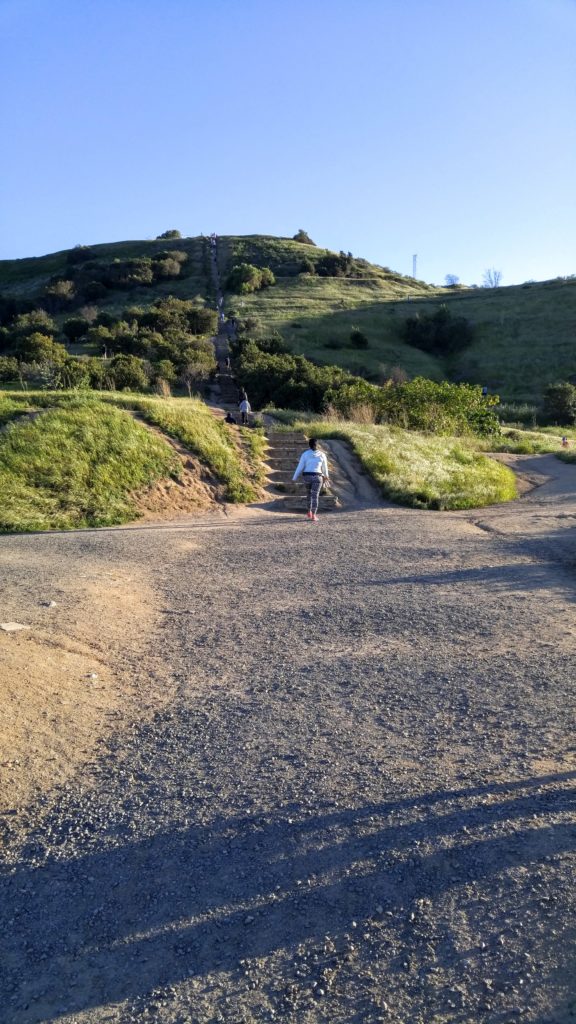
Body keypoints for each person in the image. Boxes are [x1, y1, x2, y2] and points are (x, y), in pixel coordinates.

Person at [292, 438, 329, 522]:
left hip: (307, 476)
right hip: (317, 477)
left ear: (309, 445)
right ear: (317, 445)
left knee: (308, 494)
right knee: (315, 496)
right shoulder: (322, 454)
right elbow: (325, 468)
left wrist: (294, 477)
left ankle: (309, 512)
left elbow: (300, 467)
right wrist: (326, 477)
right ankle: (314, 515)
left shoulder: (305, 454)